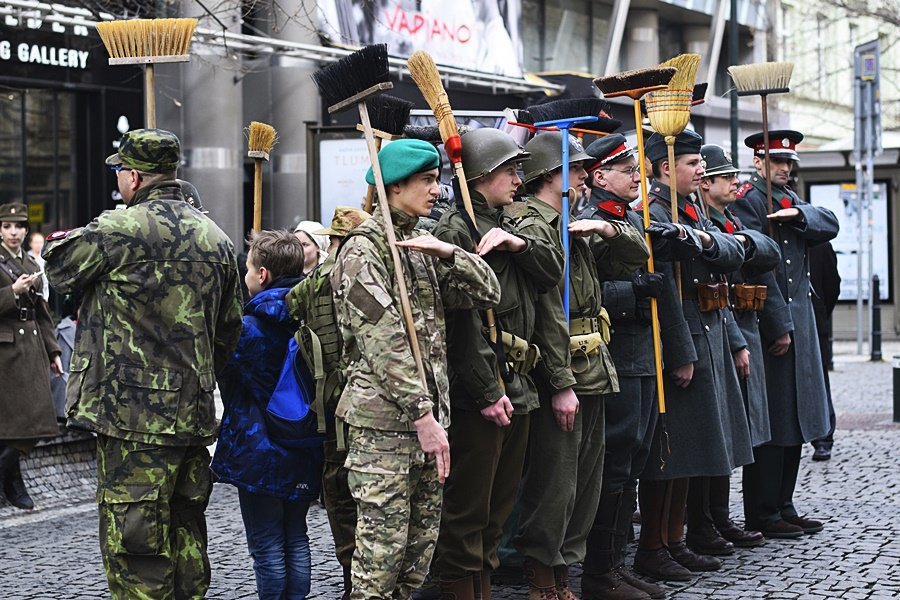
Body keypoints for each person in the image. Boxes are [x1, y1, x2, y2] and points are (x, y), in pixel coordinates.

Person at [43, 128, 244, 599]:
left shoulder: (121, 228)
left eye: (120, 173)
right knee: (187, 533)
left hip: (132, 419)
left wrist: (112, 217)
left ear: (133, 176)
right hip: (193, 414)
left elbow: (57, 266)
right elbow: (230, 329)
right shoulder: (214, 237)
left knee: (137, 549)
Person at [331, 138, 500, 600]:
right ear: (394, 186)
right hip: (386, 425)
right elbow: (383, 342)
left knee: (416, 558)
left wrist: (448, 253)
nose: (436, 190)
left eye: (435, 179)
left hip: (429, 424)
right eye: (426, 181)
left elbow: (489, 293)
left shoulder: (422, 244)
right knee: (380, 562)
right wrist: (423, 415)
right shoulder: (362, 252)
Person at [510, 131, 650, 600]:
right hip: (561, 369)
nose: (585, 176)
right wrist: (560, 382)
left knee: (584, 484)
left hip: (592, 364)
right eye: (576, 169)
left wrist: (608, 229)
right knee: (555, 483)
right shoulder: (532, 224)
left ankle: (565, 575)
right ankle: (543, 581)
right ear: (549, 175)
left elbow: (635, 256)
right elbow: (548, 311)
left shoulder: (572, 221)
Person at [429, 127, 561, 600]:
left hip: (516, 384)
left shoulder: (509, 224)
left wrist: (516, 245)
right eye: (509, 170)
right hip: (483, 390)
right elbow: (461, 327)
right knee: (468, 513)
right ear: (483, 175)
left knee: (497, 512)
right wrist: (488, 392)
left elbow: (551, 274)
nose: (517, 180)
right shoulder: (456, 229)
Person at [578, 134, 697, 600]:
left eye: (635, 168)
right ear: (599, 175)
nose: (635, 175)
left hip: (644, 358)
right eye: (625, 169)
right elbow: (579, 297)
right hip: (617, 359)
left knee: (634, 463)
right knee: (614, 464)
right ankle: (598, 575)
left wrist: (676, 349)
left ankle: (616, 567)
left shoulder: (632, 218)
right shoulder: (591, 223)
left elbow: (665, 294)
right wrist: (632, 294)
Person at [636, 130, 751, 582]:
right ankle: (655, 545)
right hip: (681, 344)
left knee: (692, 446)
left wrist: (700, 240)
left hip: (707, 334)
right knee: (672, 452)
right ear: (667, 167)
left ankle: (675, 540)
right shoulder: (654, 211)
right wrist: (682, 352)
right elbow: (664, 291)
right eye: (692, 163)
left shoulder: (692, 211)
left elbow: (729, 252)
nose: (701, 171)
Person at [730, 130, 839, 538]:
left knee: (796, 414)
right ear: (758, 162)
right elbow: (759, 267)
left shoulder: (791, 201)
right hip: (771, 322)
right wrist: (779, 323)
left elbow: (829, 223)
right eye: (776, 162)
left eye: (789, 163)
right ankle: (763, 511)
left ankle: (784, 503)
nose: (784, 169)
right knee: (773, 419)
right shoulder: (749, 202)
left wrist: (798, 216)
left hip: (801, 321)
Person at [212, 230, 323, 600]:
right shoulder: (314, 316)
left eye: (247, 269)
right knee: (297, 536)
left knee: (267, 547)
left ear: (263, 275)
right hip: (305, 440)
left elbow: (228, 380)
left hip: (259, 448)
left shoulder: (249, 328)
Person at [688, 144, 781, 554]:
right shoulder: (700, 219)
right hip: (715, 331)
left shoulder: (724, 220)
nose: (735, 184)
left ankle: (718, 518)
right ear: (706, 185)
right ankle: (705, 522)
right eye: (726, 178)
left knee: (728, 431)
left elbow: (767, 252)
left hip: (729, 329)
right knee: (712, 433)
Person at [286, 205, 371, 600]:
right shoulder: (374, 273)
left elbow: (289, 304)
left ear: (333, 241)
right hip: (372, 407)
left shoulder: (318, 281)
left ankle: (355, 578)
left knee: (340, 495)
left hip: (335, 411)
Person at [0, 202, 63, 510]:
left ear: (26, 231)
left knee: (37, 420)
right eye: (8, 227)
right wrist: (12, 290)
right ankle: (12, 482)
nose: (14, 232)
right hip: (6, 350)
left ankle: (9, 478)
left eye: (19, 227)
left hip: (32, 347)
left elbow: (42, 311)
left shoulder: (28, 261)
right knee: (15, 423)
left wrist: (54, 350)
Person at [808, 241, 840, 461]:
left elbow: (832, 285)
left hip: (816, 322)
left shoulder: (819, 243)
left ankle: (823, 437)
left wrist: (821, 313)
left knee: (820, 381)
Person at [27, 231, 49, 301]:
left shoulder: (46, 257)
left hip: (44, 292)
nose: (38, 245)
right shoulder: (26, 257)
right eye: (36, 242)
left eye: (40, 242)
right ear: (30, 243)